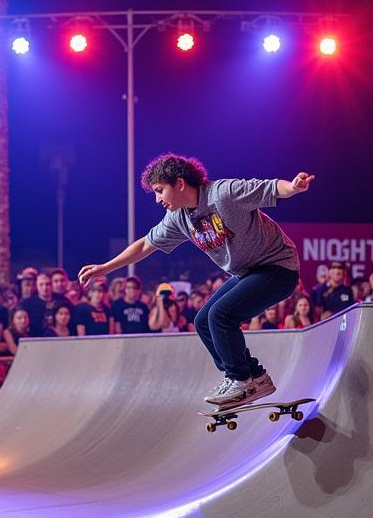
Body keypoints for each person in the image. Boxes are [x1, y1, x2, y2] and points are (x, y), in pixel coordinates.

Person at [80, 153, 312, 409]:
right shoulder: (178, 219)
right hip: (247, 273)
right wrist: (106, 268)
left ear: (180, 184)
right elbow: (146, 244)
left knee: (221, 315)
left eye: (160, 191)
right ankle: (255, 377)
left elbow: (268, 188)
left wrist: (291, 187)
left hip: (278, 268)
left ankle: (240, 380)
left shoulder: (223, 193)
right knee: (203, 320)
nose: (158, 200)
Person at [20, 272, 69, 336]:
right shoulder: (27, 303)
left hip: (59, 338)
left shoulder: (62, 301)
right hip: (35, 339)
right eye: (41, 284)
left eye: (47, 284)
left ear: (52, 285)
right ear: (36, 286)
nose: (45, 288)